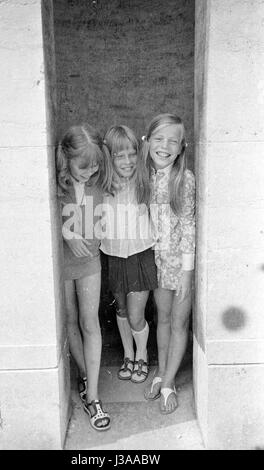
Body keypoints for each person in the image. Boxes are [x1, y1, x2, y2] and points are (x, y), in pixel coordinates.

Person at [56, 124, 110, 431]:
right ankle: (85, 374)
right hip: (63, 262)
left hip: (90, 260)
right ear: (67, 159)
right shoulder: (58, 186)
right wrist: (65, 231)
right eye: (82, 166)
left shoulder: (97, 185)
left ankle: (93, 396)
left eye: (94, 166)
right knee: (70, 320)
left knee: (90, 322)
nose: (89, 172)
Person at [142, 113, 195, 414]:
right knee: (161, 319)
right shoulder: (144, 177)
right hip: (157, 263)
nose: (165, 146)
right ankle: (162, 370)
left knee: (178, 322)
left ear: (181, 146)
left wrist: (187, 273)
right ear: (147, 142)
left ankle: (169, 382)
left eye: (172, 141)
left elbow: (188, 226)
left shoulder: (183, 179)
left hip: (180, 266)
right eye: (159, 139)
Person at [100, 125, 158, 384]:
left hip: (140, 253)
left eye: (131, 153)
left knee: (136, 315)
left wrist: (141, 148)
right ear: (108, 158)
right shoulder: (103, 184)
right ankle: (128, 355)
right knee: (121, 309)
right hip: (113, 254)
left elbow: (149, 149)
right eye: (119, 155)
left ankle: (142, 354)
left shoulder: (143, 179)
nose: (127, 161)